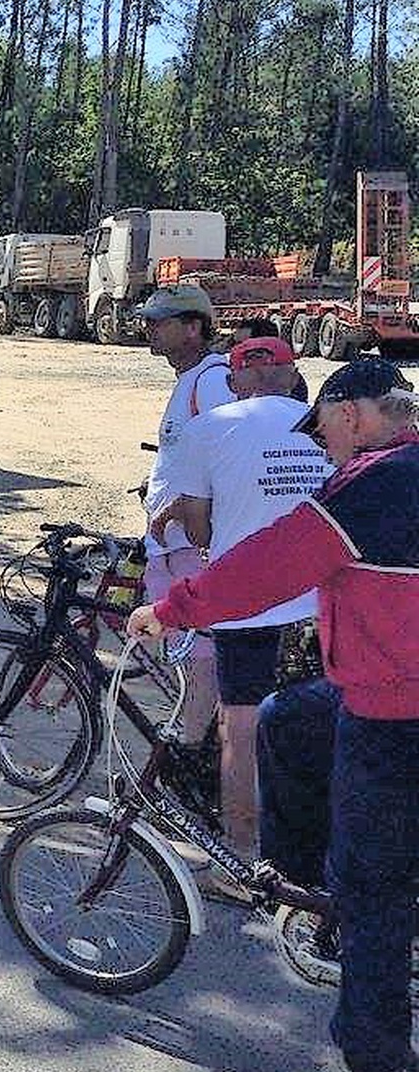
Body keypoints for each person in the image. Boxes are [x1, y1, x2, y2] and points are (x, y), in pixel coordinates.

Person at [129, 358, 419, 1072]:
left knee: (375, 888)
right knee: (290, 716)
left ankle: (374, 1048)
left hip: (394, 710)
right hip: (368, 689)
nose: (323, 448)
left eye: (324, 431)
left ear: (352, 413)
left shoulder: (381, 481)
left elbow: (272, 564)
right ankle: (307, 889)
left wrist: (171, 611)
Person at [147, 336, 331, 869]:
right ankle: (306, 845)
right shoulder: (327, 425)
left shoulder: (210, 429)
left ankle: (241, 856)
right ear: (291, 374)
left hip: (245, 604)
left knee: (241, 730)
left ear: (236, 379)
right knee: (308, 724)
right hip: (319, 603)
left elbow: (202, 528)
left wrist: (182, 511)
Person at [137, 283, 235, 751]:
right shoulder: (190, 379)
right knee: (184, 644)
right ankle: (196, 728)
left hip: (191, 541)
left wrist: (185, 512)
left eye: (161, 321)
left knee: (201, 647)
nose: (149, 328)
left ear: (193, 328)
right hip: (171, 540)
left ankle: (194, 742)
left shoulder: (212, 379)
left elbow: (226, 459)